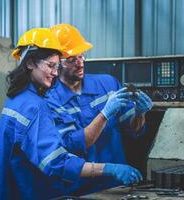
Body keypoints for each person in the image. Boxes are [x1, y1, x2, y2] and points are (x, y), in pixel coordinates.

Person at [0, 28, 143, 200]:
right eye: (51, 65)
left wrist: (140, 112)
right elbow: (57, 162)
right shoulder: (35, 106)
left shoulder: (16, 99)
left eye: (56, 66)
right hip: (32, 192)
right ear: (30, 63)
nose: (55, 72)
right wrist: (110, 168)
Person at [47, 24, 153, 194]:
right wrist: (104, 114)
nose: (80, 64)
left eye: (82, 56)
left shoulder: (108, 84)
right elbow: (76, 144)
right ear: (56, 64)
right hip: (77, 189)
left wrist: (140, 113)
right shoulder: (51, 100)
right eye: (72, 59)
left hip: (115, 186)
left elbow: (133, 130)